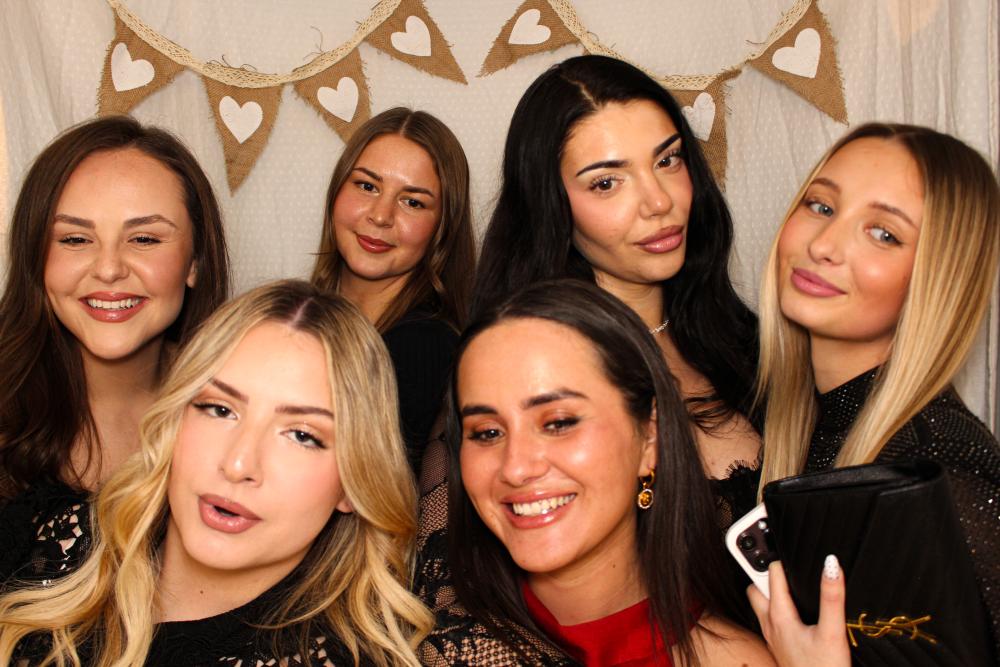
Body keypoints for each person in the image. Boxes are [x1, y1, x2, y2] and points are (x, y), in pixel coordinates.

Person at [0, 280, 433, 666]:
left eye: (302, 435)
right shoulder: (53, 535)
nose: (239, 464)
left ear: (353, 484)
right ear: (175, 418)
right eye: (220, 409)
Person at [420, 280, 773, 666]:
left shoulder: (734, 660)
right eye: (487, 433)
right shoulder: (433, 645)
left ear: (650, 438)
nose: (516, 468)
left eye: (558, 423)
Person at [472, 55, 759, 523]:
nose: (658, 201)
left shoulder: (749, 343)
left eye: (667, 160)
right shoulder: (519, 373)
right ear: (551, 208)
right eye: (607, 182)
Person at [751, 123, 1000, 662]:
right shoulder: (803, 423)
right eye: (820, 206)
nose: (823, 246)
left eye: (883, 234)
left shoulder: (939, 467)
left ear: (937, 279)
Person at [0, 116, 230, 579]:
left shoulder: (240, 422)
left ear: (195, 262)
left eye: (143, 239)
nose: (108, 269)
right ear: (36, 258)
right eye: (75, 239)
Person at [312, 107, 475, 476]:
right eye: (367, 186)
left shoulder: (426, 348)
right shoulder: (296, 317)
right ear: (336, 191)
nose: (381, 215)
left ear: (442, 228)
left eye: (412, 202)